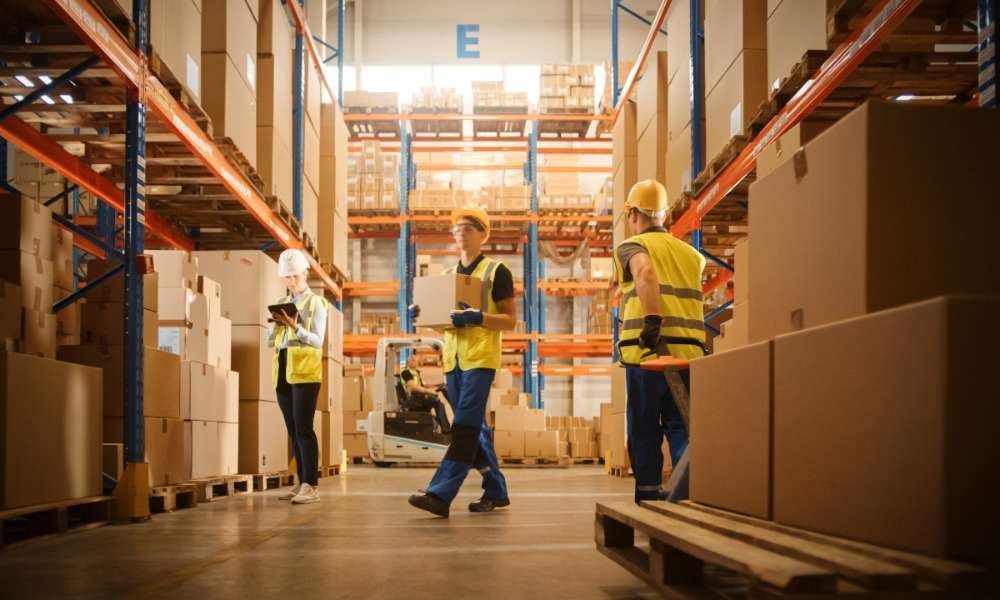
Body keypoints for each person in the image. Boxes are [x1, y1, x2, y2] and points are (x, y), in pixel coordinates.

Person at [406, 206, 516, 518]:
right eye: (456, 228)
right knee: (476, 430)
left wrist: (479, 317)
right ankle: (496, 490)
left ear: (483, 234)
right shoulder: (446, 277)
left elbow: (509, 320)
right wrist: (422, 316)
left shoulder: (497, 271)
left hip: (480, 361)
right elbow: (444, 323)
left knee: (464, 428)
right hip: (453, 363)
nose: (460, 233)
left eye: (468, 227)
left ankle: (440, 495)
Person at [612, 180, 706, 504]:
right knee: (681, 428)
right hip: (688, 356)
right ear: (664, 215)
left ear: (633, 213)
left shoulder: (632, 246)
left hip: (648, 355)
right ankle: (682, 496)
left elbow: (646, 275)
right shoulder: (693, 256)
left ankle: (649, 499)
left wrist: (652, 322)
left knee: (644, 429)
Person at [269, 248, 327, 504]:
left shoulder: (316, 303)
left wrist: (296, 328)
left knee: (304, 428)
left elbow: (318, 341)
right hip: (283, 371)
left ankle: (311, 485)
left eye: (294, 276)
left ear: (305, 273)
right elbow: (274, 342)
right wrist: (274, 327)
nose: (291, 281)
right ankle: (300, 481)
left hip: (305, 374)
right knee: (293, 430)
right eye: (286, 277)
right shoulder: (284, 303)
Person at [400, 355, 451, 433]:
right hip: (413, 399)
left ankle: (442, 425)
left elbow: (424, 384)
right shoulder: (406, 372)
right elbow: (413, 387)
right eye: (412, 360)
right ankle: (446, 429)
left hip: (419, 397)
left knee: (437, 401)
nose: (414, 362)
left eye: (415, 360)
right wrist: (428, 391)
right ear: (408, 361)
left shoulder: (416, 372)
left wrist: (439, 384)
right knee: (438, 403)